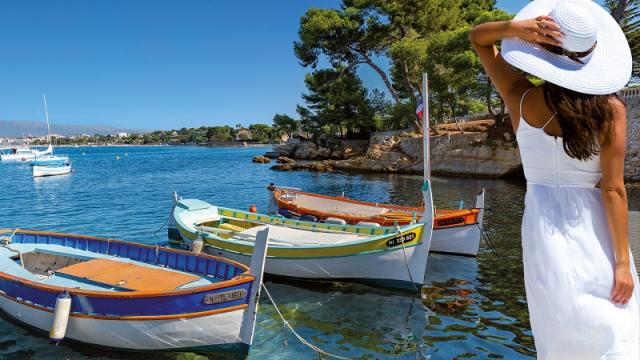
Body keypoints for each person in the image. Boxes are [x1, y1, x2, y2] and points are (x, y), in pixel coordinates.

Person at [469, 0, 639, 358]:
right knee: (615, 328)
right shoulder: (611, 111)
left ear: (543, 49)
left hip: (542, 228)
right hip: (596, 228)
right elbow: (612, 189)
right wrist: (622, 262)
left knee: (559, 326)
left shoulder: (520, 96)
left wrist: (515, 29)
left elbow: (478, 38)